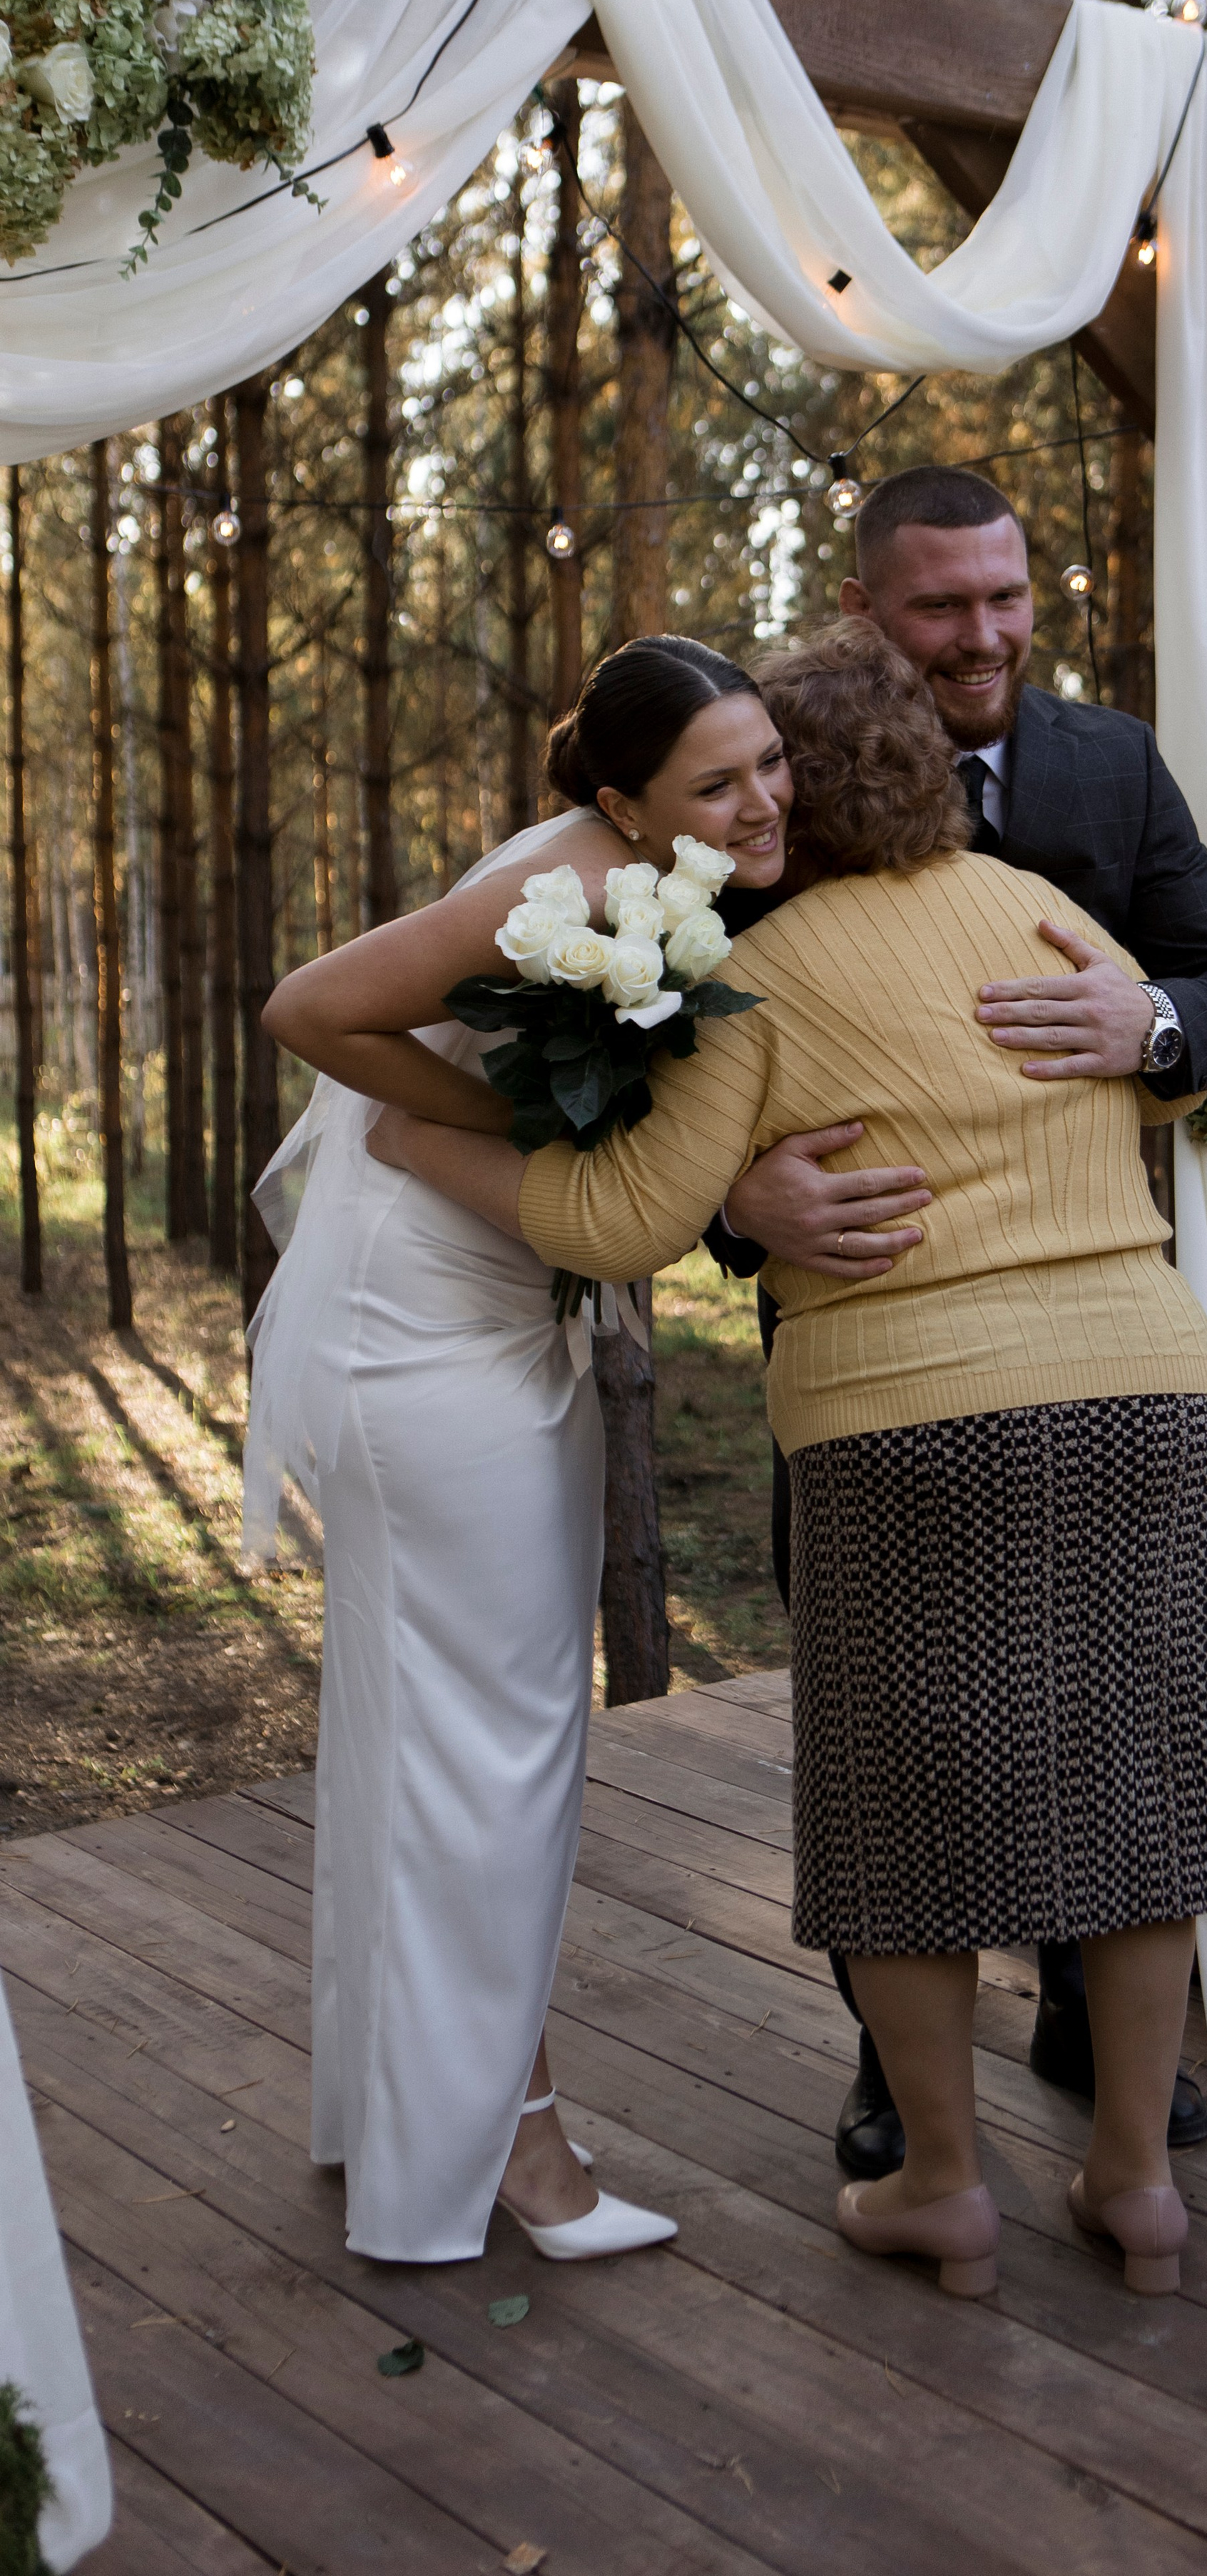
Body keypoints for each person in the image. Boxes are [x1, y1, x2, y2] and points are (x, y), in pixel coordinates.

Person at [368, 619, 1207, 2303]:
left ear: (799, 797)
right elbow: (1130, 1100)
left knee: (898, 1818)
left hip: (908, 1426)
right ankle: (1135, 2186)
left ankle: (942, 2187)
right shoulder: (1055, 925)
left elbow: (625, 1212)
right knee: (1146, 1794)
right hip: (1145, 1390)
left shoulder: (749, 989)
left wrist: (426, 1139)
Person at [710, 467, 1207, 2177]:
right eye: (945, 607)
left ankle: (1090, 2033)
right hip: (869, 1329)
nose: (987, 635)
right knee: (896, 1725)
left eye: (1008, 597)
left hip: (1082, 1310)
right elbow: (693, 1046)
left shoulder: (1108, 764)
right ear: (866, 610)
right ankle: (899, 2074)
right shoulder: (768, 784)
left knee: (1116, 1700)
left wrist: (1153, 1022)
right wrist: (743, 1211)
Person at [250, 637, 793, 2264]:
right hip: (420, 1341)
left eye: (769, 759)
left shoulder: (667, 877)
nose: (761, 798)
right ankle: (511, 2158)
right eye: (719, 779)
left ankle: (402, 2122)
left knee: (436, 1743)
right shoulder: (562, 881)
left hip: (494, 1319)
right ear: (623, 801)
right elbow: (307, 1009)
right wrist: (519, 1125)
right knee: (490, 1754)